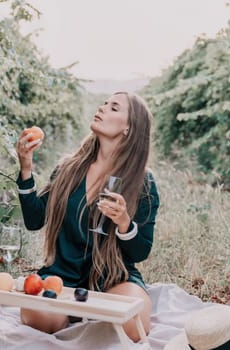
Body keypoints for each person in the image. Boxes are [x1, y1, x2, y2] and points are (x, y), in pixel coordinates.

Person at [15, 91, 160, 341]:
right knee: (37, 319)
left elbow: (140, 252)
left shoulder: (142, 182)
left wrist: (124, 222)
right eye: (104, 103)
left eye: (114, 107)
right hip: (61, 276)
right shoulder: (68, 169)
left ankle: (90, 314)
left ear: (128, 128)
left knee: (133, 327)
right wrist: (26, 168)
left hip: (114, 277)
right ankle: (70, 314)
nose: (102, 108)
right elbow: (34, 220)